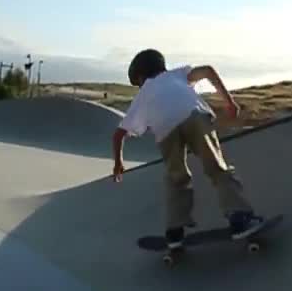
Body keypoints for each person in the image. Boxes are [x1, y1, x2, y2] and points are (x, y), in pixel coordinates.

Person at [111, 48, 266, 249]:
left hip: (165, 130)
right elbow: (208, 70)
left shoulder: (143, 95)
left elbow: (118, 134)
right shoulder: (178, 75)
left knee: (177, 179)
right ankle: (240, 218)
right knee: (217, 169)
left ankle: (175, 232)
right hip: (194, 117)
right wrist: (229, 102)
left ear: (141, 77)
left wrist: (118, 162)